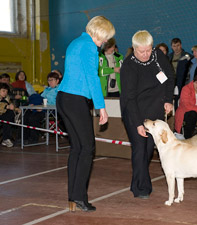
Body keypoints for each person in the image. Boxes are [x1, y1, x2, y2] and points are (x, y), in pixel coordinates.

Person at [56, 16, 115, 212]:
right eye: (104, 37)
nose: (105, 41)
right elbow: (92, 76)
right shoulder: (89, 46)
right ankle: (80, 197)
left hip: (63, 98)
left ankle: (74, 196)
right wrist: (101, 106)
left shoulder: (75, 42)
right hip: (75, 99)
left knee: (78, 148)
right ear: (98, 32)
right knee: (88, 147)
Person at [120, 30, 174, 199]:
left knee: (149, 149)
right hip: (134, 110)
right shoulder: (128, 66)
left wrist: (168, 99)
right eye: (141, 51)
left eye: (148, 50)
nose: (145, 54)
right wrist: (137, 123)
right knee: (140, 148)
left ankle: (136, 182)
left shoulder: (158, 55)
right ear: (134, 49)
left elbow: (170, 77)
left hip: (154, 109)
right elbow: (129, 98)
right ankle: (141, 188)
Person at [23, 72, 61, 143]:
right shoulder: (47, 89)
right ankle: (23, 138)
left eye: (51, 80)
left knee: (33, 117)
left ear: (57, 81)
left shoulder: (59, 90)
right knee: (26, 114)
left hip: (51, 110)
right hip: (41, 106)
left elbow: (57, 103)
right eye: (48, 80)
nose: (50, 82)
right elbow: (41, 98)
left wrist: (42, 108)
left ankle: (33, 139)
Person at [174, 74, 197, 139]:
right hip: (185, 112)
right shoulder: (186, 89)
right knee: (192, 114)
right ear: (193, 82)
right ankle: (187, 138)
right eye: (196, 82)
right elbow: (186, 106)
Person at [168, 38, 192, 110]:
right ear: (171, 47)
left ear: (181, 45)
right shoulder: (169, 57)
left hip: (183, 83)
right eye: (174, 46)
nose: (176, 48)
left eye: (178, 45)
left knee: (183, 101)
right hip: (172, 83)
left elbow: (190, 71)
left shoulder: (187, 56)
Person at [0, 83, 17, 148]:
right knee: (9, 115)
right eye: (3, 91)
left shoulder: (6, 98)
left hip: (3, 116)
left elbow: (10, 106)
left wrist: (16, 109)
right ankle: (6, 139)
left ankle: (6, 138)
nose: (5, 93)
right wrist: (7, 106)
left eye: (6, 91)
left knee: (9, 114)